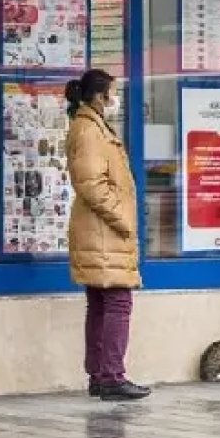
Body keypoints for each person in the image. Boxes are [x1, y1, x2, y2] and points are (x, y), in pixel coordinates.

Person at [64, 69, 149, 401]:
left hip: (101, 231)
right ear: (100, 97)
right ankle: (111, 375)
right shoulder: (89, 130)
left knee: (102, 303)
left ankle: (101, 375)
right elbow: (92, 185)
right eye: (112, 94)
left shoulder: (93, 126)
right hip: (104, 231)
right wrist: (123, 217)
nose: (115, 100)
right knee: (117, 301)